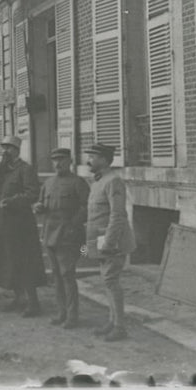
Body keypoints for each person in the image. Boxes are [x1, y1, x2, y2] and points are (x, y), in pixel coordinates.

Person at [0, 135, 47, 316]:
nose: (5, 152)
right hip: (3, 225)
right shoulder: (4, 171)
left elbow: (33, 193)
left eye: (9, 148)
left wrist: (13, 201)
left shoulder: (25, 169)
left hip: (20, 226)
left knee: (25, 263)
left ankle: (33, 303)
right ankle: (19, 298)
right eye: (4, 148)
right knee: (10, 263)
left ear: (16, 150)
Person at [84, 143, 135, 341]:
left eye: (93, 157)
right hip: (99, 239)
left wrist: (109, 243)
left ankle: (120, 327)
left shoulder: (113, 181)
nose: (89, 160)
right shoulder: (98, 181)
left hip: (112, 242)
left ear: (104, 160)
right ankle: (113, 321)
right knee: (107, 280)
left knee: (111, 281)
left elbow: (118, 215)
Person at [34, 148, 90, 328]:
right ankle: (62, 312)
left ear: (70, 161)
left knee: (67, 275)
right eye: (55, 160)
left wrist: (73, 225)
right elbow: (42, 202)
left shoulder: (78, 183)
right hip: (50, 235)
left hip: (69, 236)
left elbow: (86, 208)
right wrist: (39, 207)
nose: (58, 164)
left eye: (62, 160)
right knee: (56, 276)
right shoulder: (48, 183)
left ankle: (72, 316)